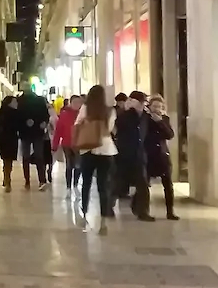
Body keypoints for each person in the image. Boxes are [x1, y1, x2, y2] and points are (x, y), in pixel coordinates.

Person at [74, 84, 117, 234]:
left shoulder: (86, 108)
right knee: (103, 186)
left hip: (88, 149)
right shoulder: (110, 111)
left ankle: (84, 215)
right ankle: (103, 223)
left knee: (86, 183)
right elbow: (109, 130)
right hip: (106, 150)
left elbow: (77, 124)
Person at [116, 90, 154, 221]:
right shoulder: (124, 115)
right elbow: (119, 128)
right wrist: (129, 110)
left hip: (140, 155)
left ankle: (142, 211)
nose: (143, 105)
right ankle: (107, 207)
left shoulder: (146, 116)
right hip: (125, 154)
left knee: (142, 184)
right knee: (118, 183)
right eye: (141, 102)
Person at [145, 94, 179, 220]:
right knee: (144, 184)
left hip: (162, 155)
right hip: (149, 155)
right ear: (150, 107)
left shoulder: (164, 119)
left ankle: (170, 211)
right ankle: (143, 210)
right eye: (155, 106)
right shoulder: (146, 119)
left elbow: (170, 135)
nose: (157, 109)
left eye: (160, 106)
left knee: (168, 184)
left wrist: (160, 122)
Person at [17, 88, 49, 190]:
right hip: (33, 132)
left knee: (30, 157)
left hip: (30, 132)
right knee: (36, 156)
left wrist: (44, 122)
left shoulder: (21, 101)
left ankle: (35, 180)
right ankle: (36, 180)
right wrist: (43, 122)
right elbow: (45, 115)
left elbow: (45, 115)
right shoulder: (38, 100)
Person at [53, 94, 82, 197]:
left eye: (79, 103)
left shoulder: (82, 115)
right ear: (70, 103)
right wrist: (55, 145)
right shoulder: (64, 115)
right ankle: (69, 187)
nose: (77, 105)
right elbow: (58, 131)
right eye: (75, 102)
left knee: (78, 165)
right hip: (67, 144)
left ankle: (75, 185)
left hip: (79, 144)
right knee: (69, 165)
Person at [0, 95, 20, 192]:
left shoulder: (0, 113)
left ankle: (6, 178)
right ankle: (7, 179)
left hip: (2, 140)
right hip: (10, 140)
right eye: (15, 102)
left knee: (6, 160)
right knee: (8, 161)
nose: (16, 104)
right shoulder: (15, 114)